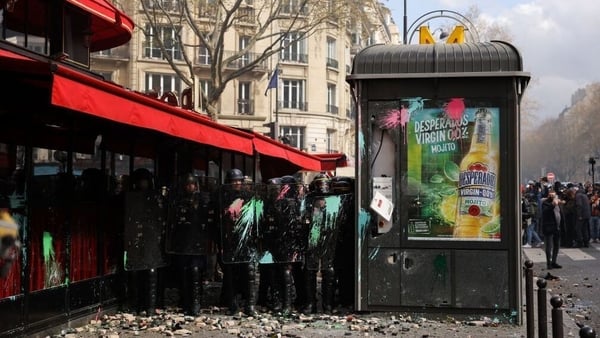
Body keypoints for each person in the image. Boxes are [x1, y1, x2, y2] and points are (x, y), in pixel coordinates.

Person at [166, 173, 217, 315]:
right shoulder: (179, 201)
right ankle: (185, 301)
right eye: (188, 185)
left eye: (192, 184)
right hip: (183, 243)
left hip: (198, 242)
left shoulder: (203, 200)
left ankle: (196, 302)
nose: (190, 187)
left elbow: (209, 220)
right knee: (184, 272)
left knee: (195, 271)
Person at [219, 168, 259, 316]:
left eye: (238, 181)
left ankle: (250, 305)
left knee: (249, 273)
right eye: (234, 181)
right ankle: (233, 305)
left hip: (246, 240)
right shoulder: (223, 198)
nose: (236, 183)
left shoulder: (249, 197)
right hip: (230, 241)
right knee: (231, 274)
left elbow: (256, 218)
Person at [541, 189, 564, 270]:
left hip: (557, 227)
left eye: (554, 196)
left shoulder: (558, 203)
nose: (553, 197)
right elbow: (545, 212)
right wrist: (553, 204)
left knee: (557, 245)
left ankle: (554, 261)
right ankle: (549, 262)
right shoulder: (546, 203)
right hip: (549, 227)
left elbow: (560, 214)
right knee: (549, 246)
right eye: (551, 195)